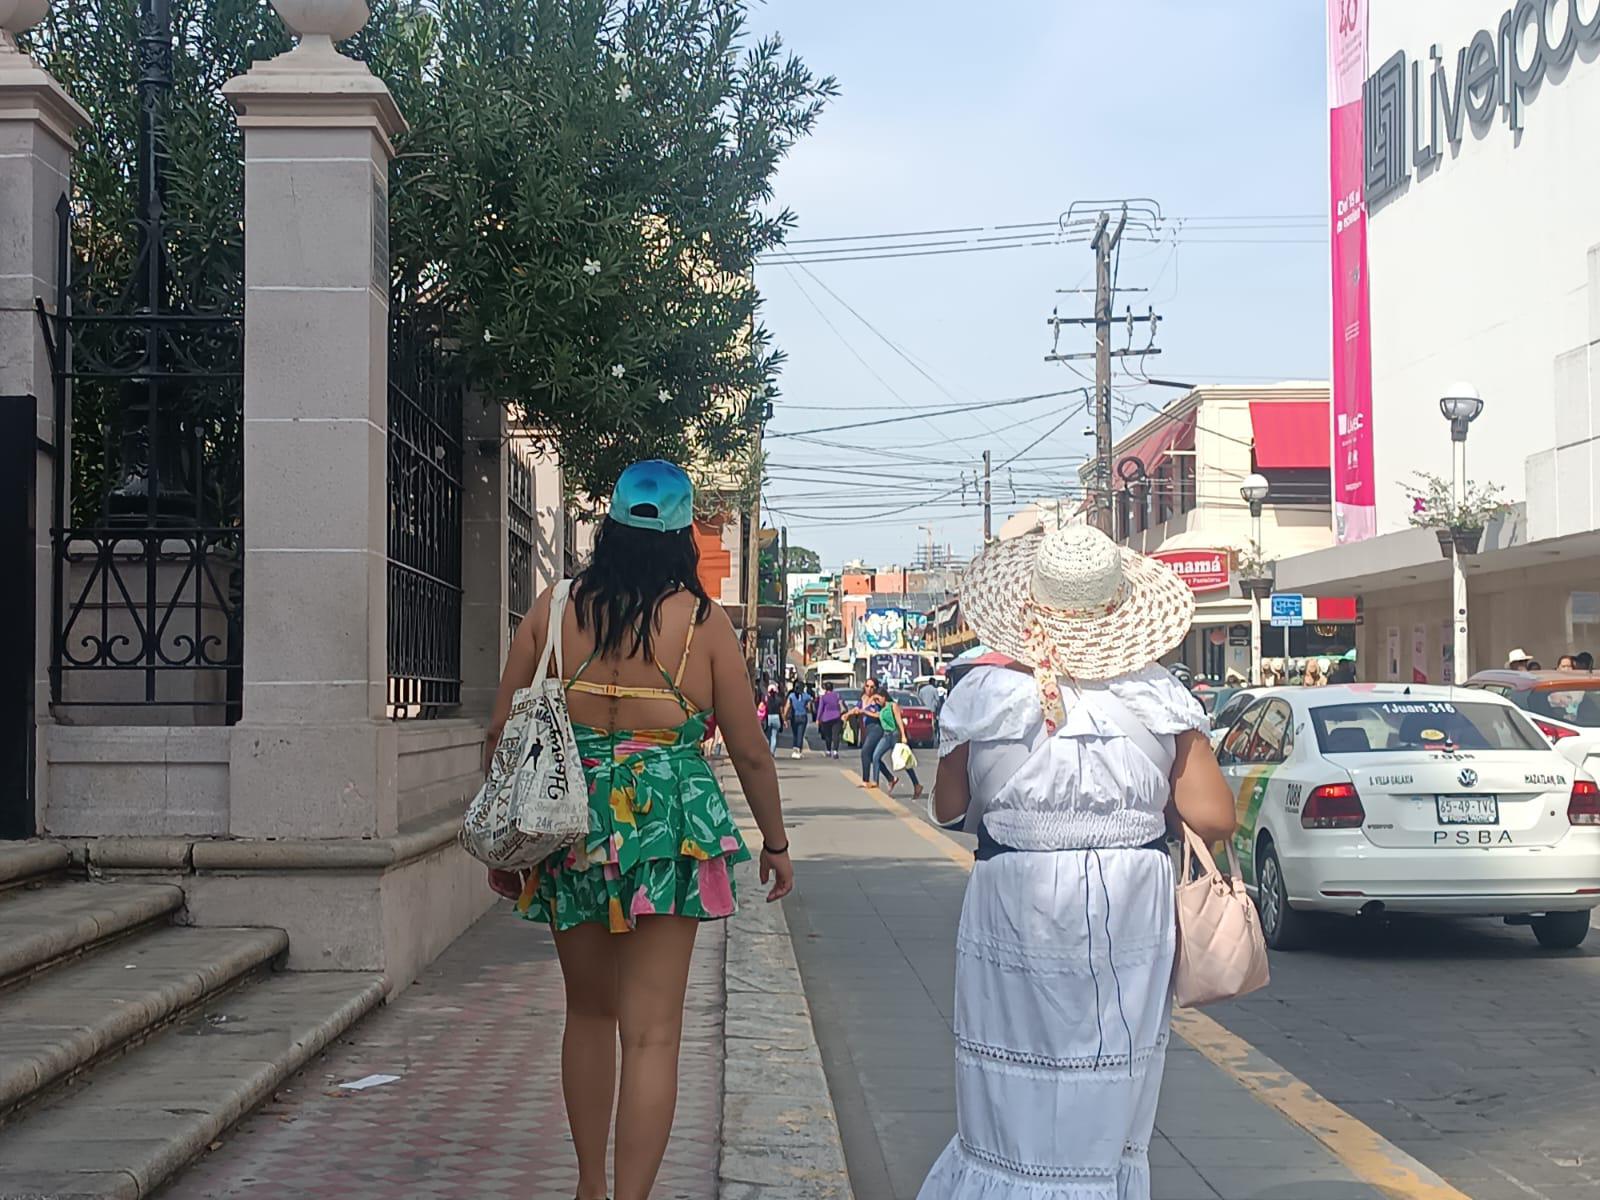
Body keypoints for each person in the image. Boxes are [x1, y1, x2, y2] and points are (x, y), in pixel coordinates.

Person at [482, 460, 793, 1200]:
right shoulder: (704, 622)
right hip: (670, 824)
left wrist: (506, 843)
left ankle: (589, 1187)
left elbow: (501, 731)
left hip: (569, 820)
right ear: (685, 532)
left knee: (587, 1012)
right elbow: (748, 749)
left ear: (611, 527)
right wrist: (775, 844)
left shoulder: (552, 609)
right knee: (653, 1033)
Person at [918, 524, 1236, 1200]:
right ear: (1120, 610)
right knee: (1110, 1068)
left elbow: (948, 810)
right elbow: (1213, 818)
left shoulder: (982, 694)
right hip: (1130, 904)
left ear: (1030, 604)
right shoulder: (1159, 696)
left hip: (1014, 896)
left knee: (1013, 1069)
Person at [871, 688, 924, 799]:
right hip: (886, 735)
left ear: (884, 696)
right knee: (875, 756)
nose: (876, 701)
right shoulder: (882, 709)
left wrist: (903, 736)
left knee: (903, 761)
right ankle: (879, 781)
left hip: (895, 735)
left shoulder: (892, 706)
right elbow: (877, 715)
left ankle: (916, 784)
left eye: (877, 699)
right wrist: (862, 711)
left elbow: (899, 720)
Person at [850, 681, 897, 792]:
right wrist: (847, 715)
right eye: (867, 686)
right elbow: (857, 709)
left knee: (865, 751)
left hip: (876, 728)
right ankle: (891, 778)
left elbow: (878, 714)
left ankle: (866, 780)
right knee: (872, 756)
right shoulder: (863, 698)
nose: (869, 689)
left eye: (872, 687)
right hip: (867, 729)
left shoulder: (877, 700)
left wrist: (864, 712)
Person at [785, 680, 814, 759]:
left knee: (795, 734)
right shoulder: (806, 696)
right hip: (803, 716)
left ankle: (795, 750)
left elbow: (787, 707)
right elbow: (809, 707)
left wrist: (785, 718)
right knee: (800, 734)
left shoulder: (791, 696)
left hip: (794, 717)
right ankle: (798, 751)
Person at [815, 681, 844, 759]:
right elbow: (841, 705)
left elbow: (820, 708)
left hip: (826, 718)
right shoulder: (837, 696)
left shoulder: (823, 697)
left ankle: (828, 750)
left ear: (825, 688)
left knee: (828, 735)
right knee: (836, 735)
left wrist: (818, 719)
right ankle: (835, 751)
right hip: (837, 717)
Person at [763, 682, 783, 754]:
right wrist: (783, 721)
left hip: (768, 718)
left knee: (768, 735)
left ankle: (767, 750)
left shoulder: (766, 700)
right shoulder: (779, 700)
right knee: (774, 736)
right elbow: (781, 712)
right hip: (776, 718)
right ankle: (772, 751)